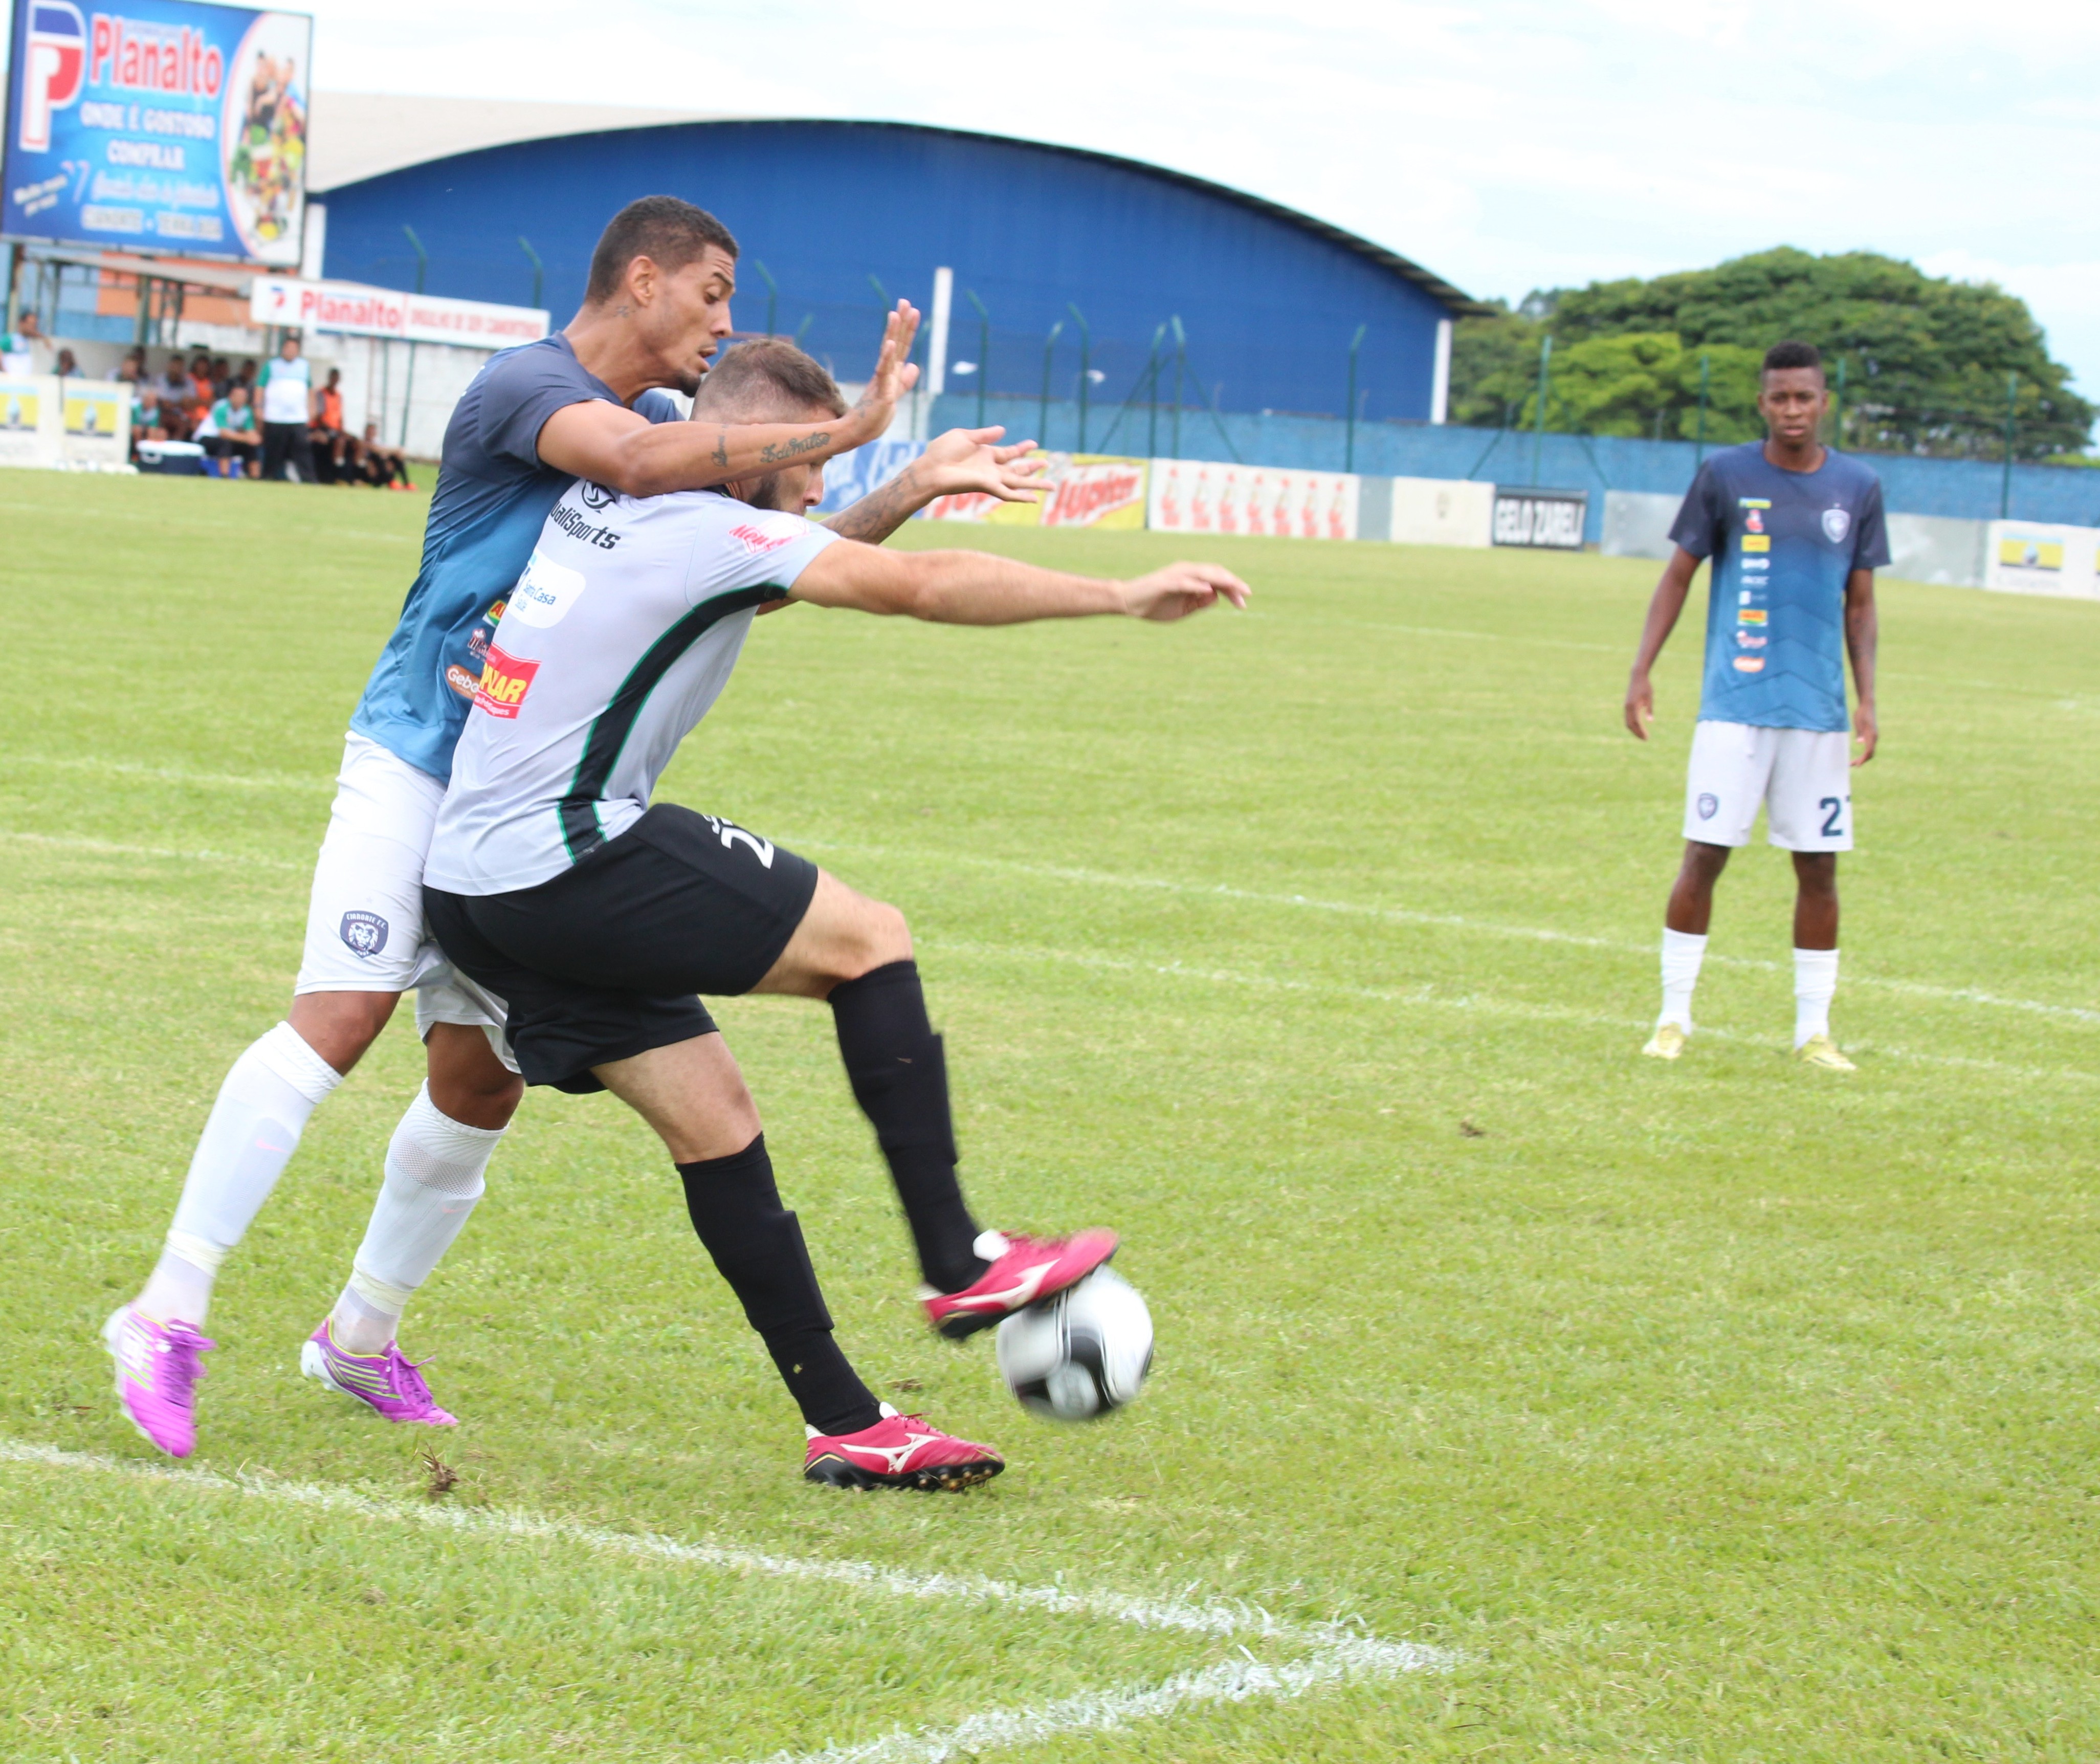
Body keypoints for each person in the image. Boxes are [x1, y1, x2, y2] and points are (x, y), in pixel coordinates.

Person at [104, 194, 1040, 1462]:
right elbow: (653, 473)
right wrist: (857, 426)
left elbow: (766, 560)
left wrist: (905, 482)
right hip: (414, 759)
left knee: (477, 1080)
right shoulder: (525, 390)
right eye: (711, 292)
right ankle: (167, 1309)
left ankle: (360, 1337)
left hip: (520, 800)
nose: (724, 320)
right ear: (642, 281)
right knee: (342, 1013)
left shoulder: (661, 428)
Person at [415, 339, 1247, 1488]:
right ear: (752, 452)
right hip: (572, 851)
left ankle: (847, 1420)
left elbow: (789, 534)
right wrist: (1116, 592)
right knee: (870, 939)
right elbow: (909, 585)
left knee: (717, 1122)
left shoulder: (628, 483)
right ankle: (960, 1257)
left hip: (472, 884)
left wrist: (904, 479)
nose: (817, 490)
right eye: (804, 468)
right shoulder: (706, 528)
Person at [1624, 340, 1886, 1070]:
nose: (1792, 410)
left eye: (1804, 397)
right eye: (1780, 398)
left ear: (1824, 401)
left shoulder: (1857, 487)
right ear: (1762, 401)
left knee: (1819, 870)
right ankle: (1672, 1020)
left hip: (1819, 716)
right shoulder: (1725, 476)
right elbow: (1677, 577)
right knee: (1703, 856)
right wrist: (1642, 670)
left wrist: (1867, 701)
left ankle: (1813, 1033)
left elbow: (1860, 605)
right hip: (1733, 707)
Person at [257, 333, 316, 480]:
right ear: (283, 349)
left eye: (294, 348)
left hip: (297, 417)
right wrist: (258, 406)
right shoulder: (272, 365)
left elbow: (310, 389)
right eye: (288, 347)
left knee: (302, 449)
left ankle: (308, 479)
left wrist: (312, 409)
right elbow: (260, 387)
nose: (290, 351)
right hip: (275, 416)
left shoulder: (304, 366)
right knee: (273, 450)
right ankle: (268, 477)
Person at [198, 381, 260, 477]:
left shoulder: (247, 411)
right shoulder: (221, 407)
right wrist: (247, 438)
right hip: (208, 438)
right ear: (231, 396)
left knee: (250, 447)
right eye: (239, 396)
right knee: (225, 443)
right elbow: (223, 433)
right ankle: (225, 476)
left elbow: (251, 433)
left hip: (230, 439)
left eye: (244, 397)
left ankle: (255, 477)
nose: (241, 399)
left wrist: (254, 438)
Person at [310, 367, 351, 483]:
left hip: (336, 430)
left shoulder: (339, 396)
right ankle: (337, 475)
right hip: (322, 429)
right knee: (340, 442)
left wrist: (342, 429)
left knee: (355, 442)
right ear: (329, 378)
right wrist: (334, 430)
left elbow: (340, 416)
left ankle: (354, 475)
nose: (335, 380)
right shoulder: (321, 394)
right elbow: (319, 417)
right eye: (333, 377)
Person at [355, 423, 411, 489]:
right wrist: (396, 450)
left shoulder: (378, 442)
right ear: (366, 432)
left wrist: (394, 453)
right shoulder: (362, 442)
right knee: (376, 456)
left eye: (373, 431)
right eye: (369, 431)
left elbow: (383, 452)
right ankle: (389, 481)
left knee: (395, 458)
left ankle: (407, 484)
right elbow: (376, 450)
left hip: (380, 467)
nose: (371, 433)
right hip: (366, 469)